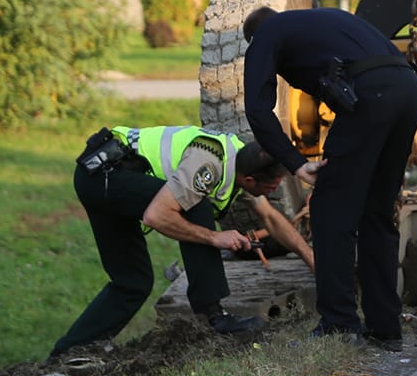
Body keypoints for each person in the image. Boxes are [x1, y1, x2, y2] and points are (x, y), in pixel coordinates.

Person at [241, 5, 417, 351]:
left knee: (328, 211)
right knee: (377, 213)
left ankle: (339, 324)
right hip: (408, 90)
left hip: (372, 96)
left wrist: (295, 163)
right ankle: (386, 329)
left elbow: (256, 109)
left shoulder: (265, 35)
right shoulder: (322, 19)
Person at [50, 124, 314, 359]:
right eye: (272, 186)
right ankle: (214, 317)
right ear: (250, 180)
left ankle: (69, 353)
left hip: (97, 173)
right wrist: (215, 237)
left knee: (133, 283)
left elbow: (271, 218)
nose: (274, 190)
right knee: (194, 206)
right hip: (106, 172)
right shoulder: (209, 165)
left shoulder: (241, 160)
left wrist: (312, 260)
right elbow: (156, 216)